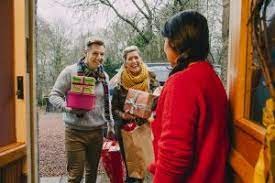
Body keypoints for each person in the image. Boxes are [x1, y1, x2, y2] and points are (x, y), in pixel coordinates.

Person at [148, 10, 230, 183]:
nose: (164, 46)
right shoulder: (210, 76)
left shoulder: (181, 82)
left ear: (175, 43)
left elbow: (174, 156)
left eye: (165, 40)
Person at [49, 38, 114, 183]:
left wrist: (110, 125)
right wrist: (67, 108)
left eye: (102, 54)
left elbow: (106, 103)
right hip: (75, 132)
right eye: (95, 53)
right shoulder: (70, 71)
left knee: (92, 174)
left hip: (96, 132)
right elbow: (54, 95)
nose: (99, 58)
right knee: (75, 175)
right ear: (86, 52)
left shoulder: (104, 76)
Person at [111, 45, 159, 183]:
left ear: (141, 59)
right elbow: (114, 109)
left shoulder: (151, 78)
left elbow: (158, 104)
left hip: (146, 127)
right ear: (125, 62)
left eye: (136, 57)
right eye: (130, 59)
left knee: (149, 163)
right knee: (133, 169)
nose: (134, 61)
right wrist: (124, 116)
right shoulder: (118, 83)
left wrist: (152, 102)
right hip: (127, 130)